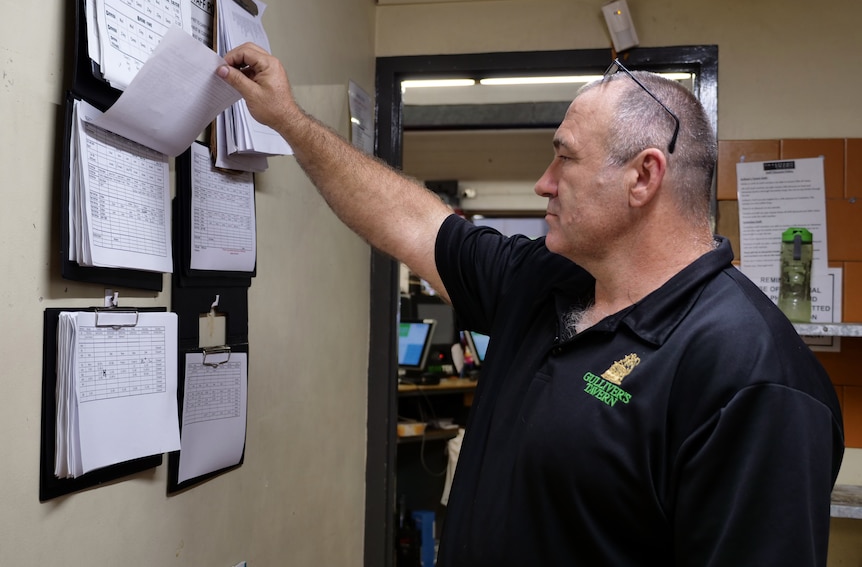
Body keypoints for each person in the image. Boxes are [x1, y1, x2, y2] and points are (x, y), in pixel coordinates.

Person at [217, 46, 844, 565]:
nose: (543, 182)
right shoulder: (546, 279)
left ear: (643, 177)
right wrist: (289, 121)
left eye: (564, 157)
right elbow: (409, 222)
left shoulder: (753, 377)